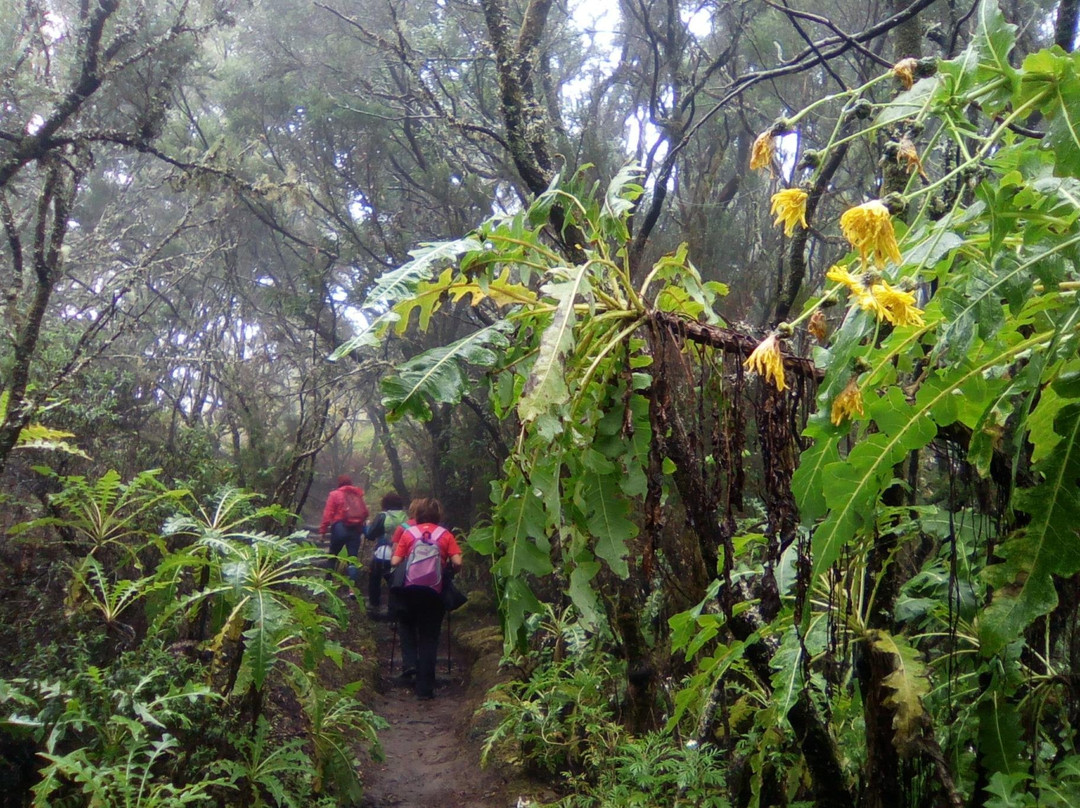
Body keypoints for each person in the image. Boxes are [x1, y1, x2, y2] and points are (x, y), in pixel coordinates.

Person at [390, 498, 462, 700]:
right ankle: (425, 688)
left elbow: (395, 561)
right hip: (434, 592)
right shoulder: (445, 534)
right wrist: (447, 567)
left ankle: (410, 663)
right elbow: (457, 562)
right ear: (439, 515)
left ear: (417, 514)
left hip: (410, 590)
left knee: (406, 623)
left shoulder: (409, 533)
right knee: (429, 638)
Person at [319, 475, 369, 596]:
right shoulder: (357, 494)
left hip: (340, 528)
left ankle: (327, 583)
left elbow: (328, 513)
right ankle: (352, 589)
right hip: (355, 529)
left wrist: (323, 531)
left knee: (333, 555)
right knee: (352, 559)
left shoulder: (335, 494)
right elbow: (365, 512)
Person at [363, 492, 407, 617]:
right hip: (400, 555)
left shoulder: (382, 516)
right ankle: (393, 610)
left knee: (375, 578)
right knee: (395, 582)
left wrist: (365, 526)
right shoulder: (405, 517)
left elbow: (370, 535)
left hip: (382, 554)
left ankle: (374, 604)